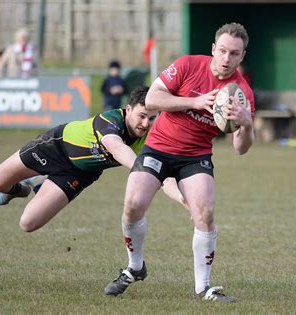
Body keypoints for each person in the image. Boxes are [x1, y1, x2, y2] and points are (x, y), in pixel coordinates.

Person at [104, 22, 255, 302]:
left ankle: (203, 288)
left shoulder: (240, 93)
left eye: (234, 53)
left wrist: (246, 125)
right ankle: (135, 267)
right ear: (213, 49)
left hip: (196, 156)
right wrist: (195, 102)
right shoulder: (188, 65)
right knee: (133, 205)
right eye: (222, 51)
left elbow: (241, 149)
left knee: (205, 213)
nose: (226, 58)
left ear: (242, 56)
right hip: (158, 149)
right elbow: (152, 98)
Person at [0, 86, 185, 233]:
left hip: (80, 172)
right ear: (128, 109)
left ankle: (37, 182)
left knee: (27, 224)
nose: (145, 123)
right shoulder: (110, 120)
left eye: (151, 118)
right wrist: (145, 169)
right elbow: (116, 147)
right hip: (54, 147)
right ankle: (22, 189)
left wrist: (183, 199)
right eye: (141, 116)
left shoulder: (151, 139)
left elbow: (164, 176)